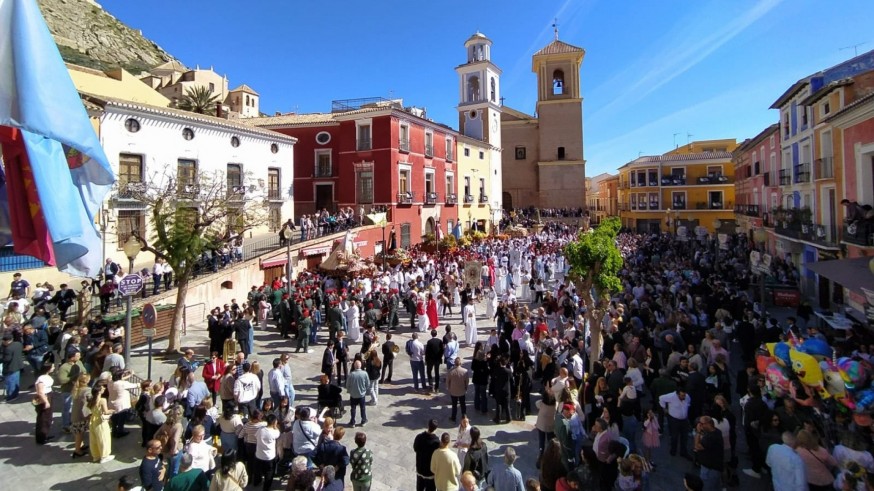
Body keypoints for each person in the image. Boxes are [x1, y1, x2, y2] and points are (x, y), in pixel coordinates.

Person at [659, 387, 691, 458]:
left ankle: (683, 451)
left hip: (684, 420)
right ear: (677, 394)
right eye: (682, 395)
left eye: (684, 395)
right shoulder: (671, 396)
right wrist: (664, 408)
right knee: (674, 436)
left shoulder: (687, 397)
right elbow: (661, 398)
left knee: (684, 436)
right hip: (674, 420)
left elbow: (688, 403)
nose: (684, 397)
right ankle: (673, 450)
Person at [693, 416, 724, 490]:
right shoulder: (717, 431)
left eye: (701, 424)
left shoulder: (710, 437)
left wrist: (698, 432)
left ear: (708, 424)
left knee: (707, 487)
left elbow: (697, 446)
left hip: (710, 468)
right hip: (715, 466)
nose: (700, 425)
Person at [88, 383, 115, 463]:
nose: (104, 389)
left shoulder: (91, 399)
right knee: (104, 437)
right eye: (102, 389)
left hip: (93, 420)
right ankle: (104, 456)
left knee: (94, 438)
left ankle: (96, 455)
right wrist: (112, 411)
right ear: (99, 391)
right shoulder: (102, 400)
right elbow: (106, 412)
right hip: (100, 420)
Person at [252, 414, 280, 491]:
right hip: (269, 457)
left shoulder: (260, 429)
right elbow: (278, 433)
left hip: (259, 454)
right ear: (274, 422)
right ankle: (266, 488)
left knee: (257, 471)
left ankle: (256, 482)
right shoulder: (274, 432)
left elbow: (256, 436)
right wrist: (275, 427)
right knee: (269, 473)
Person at [414, 419, 441, 491]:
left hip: (420, 470)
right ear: (436, 428)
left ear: (428, 425)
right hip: (430, 473)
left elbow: (415, 449)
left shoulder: (419, 437)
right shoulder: (437, 443)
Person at [34, 361, 55, 445]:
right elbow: (40, 392)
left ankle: (45, 435)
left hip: (49, 395)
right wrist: (46, 402)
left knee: (47, 417)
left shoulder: (46, 376)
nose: (53, 368)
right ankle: (41, 438)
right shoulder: (41, 379)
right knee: (43, 418)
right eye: (52, 367)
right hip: (45, 397)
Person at [1, 333, 24, 401]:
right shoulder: (18, 344)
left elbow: (6, 359)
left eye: (4, 341)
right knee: (16, 382)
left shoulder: (8, 349)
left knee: (10, 383)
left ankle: (11, 396)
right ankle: (15, 394)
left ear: (8, 341)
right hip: (18, 365)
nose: (3, 342)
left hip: (10, 368)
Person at [346, 360, 370, 427]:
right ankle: (363, 421)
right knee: (362, 408)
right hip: (362, 394)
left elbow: (347, 385)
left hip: (353, 395)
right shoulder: (364, 373)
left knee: (353, 409)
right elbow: (368, 384)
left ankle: (352, 422)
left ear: (354, 366)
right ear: (361, 366)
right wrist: (364, 390)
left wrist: (350, 391)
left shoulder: (351, 374)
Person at [446, 357, 470, 422]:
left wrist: (449, 389)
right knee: (463, 404)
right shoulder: (465, 371)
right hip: (462, 391)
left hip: (453, 391)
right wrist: (466, 388)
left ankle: (453, 418)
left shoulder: (450, 371)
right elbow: (467, 381)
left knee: (454, 405)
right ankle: (464, 417)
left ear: (454, 363)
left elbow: (447, 382)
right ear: (460, 363)